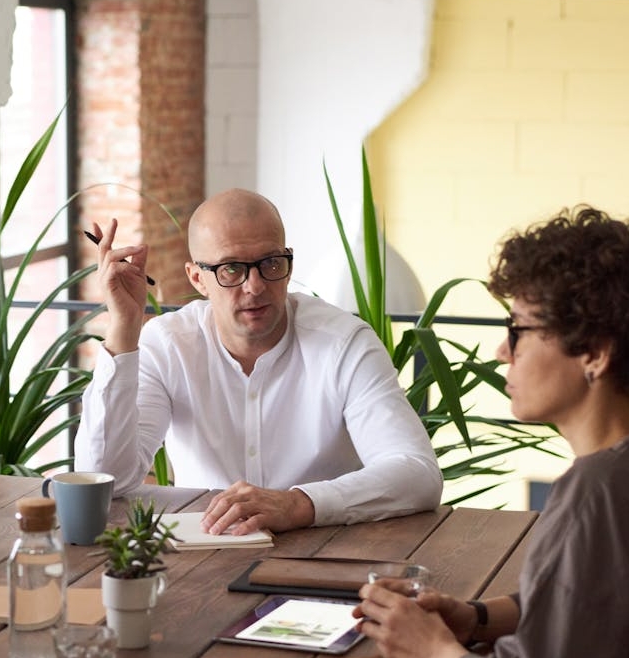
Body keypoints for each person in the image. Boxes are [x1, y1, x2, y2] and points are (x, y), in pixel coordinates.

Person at [355, 207, 629, 658]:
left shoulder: (599, 492)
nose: (501, 352)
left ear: (595, 352)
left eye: (518, 330)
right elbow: (600, 615)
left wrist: (434, 653)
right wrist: (478, 619)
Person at [74, 188, 441, 533]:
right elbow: (103, 482)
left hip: (323, 551)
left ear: (289, 264)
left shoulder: (344, 344)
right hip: (204, 553)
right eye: (231, 269)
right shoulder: (168, 345)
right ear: (198, 278)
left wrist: (297, 504)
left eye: (270, 263)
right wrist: (123, 328)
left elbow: (417, 473)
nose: (255, 286)